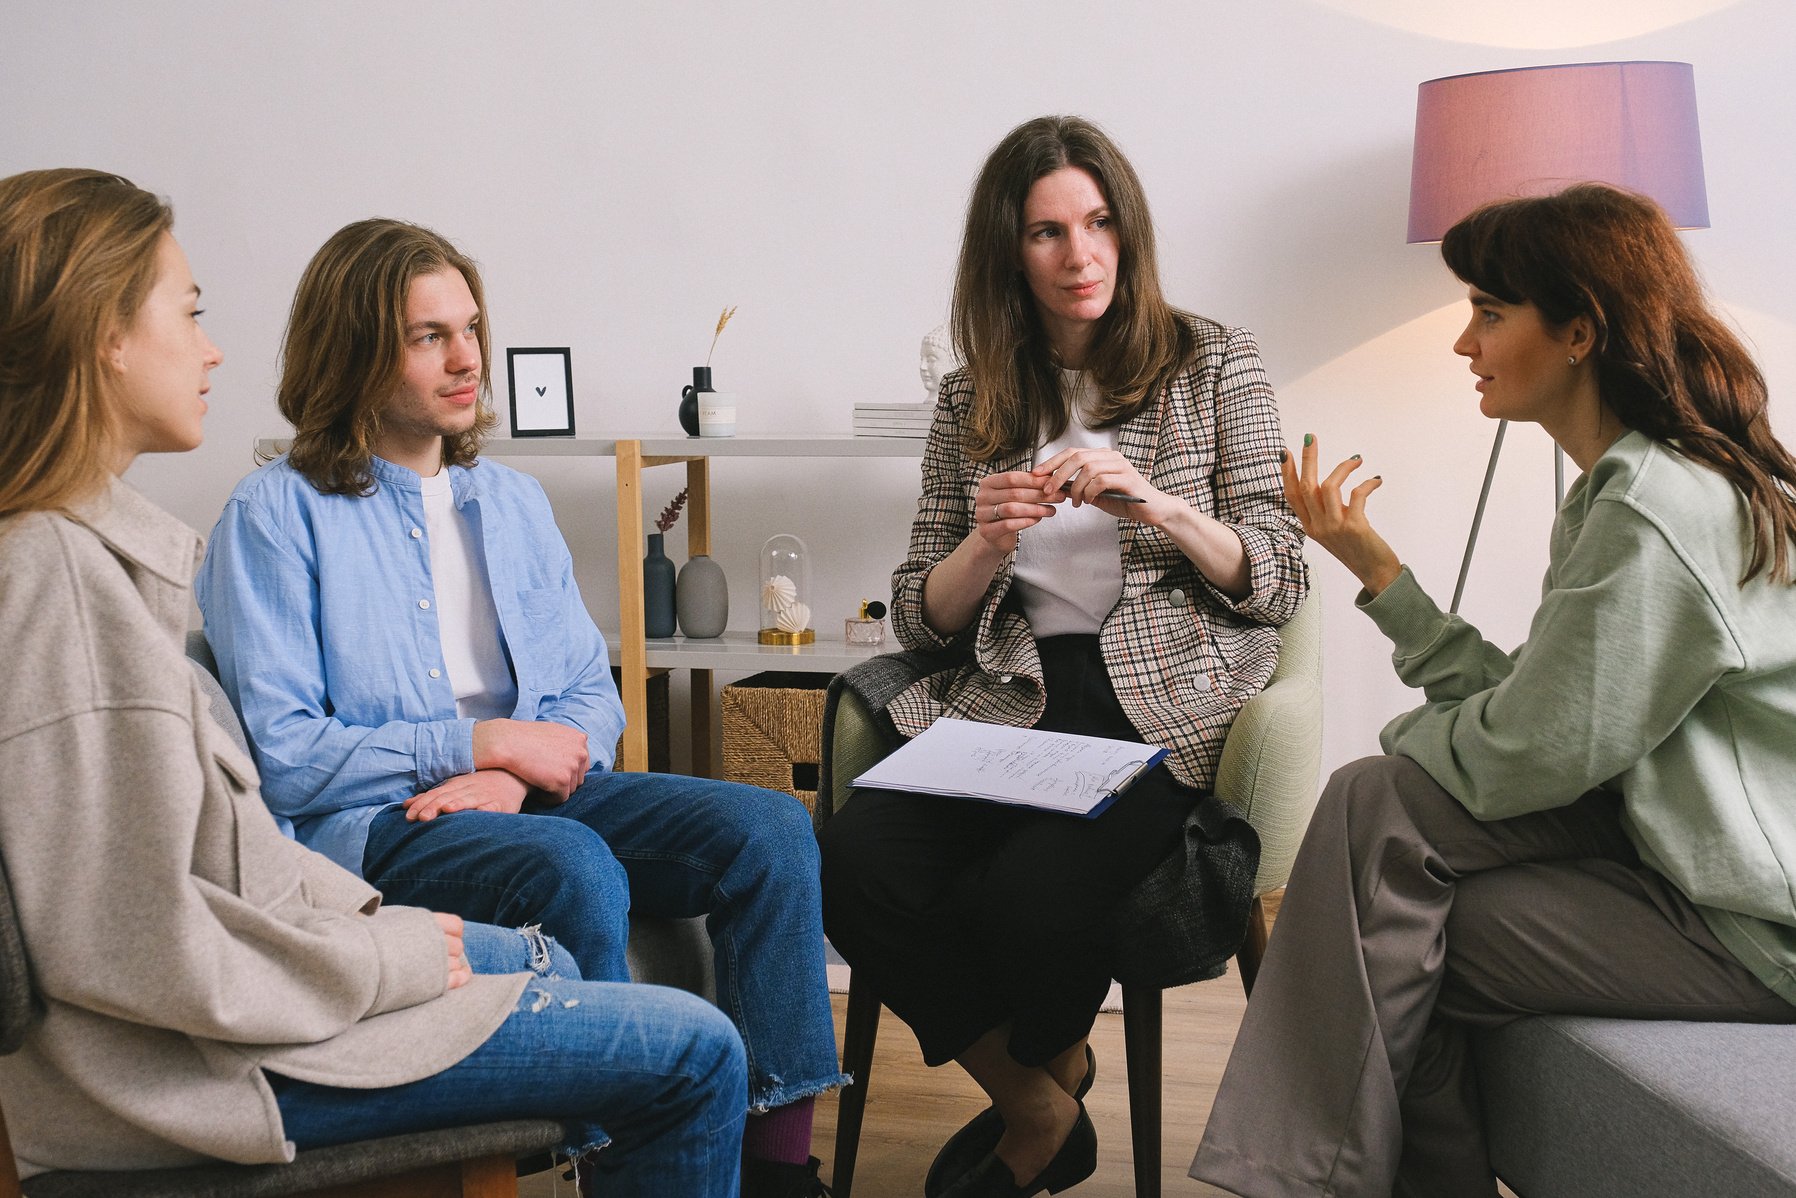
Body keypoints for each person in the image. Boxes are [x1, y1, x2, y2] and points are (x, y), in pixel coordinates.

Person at [0, 167, 746, 1194]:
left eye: (468, 328)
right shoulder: (64, 585)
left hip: (258, 997)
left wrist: (372, 923)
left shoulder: (100, 565)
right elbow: (143, 949)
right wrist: (385, 954)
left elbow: (219, 856)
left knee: (594, 937)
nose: (214, 346)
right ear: (103, 337)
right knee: (691, 1047)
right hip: (206, 1078)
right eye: (192, 311)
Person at [192, 217, 843, 1198]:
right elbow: (284, 754)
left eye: (470, 328)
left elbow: (589, 691)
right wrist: (476, 742)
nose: (466, 359)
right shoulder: (273, 516)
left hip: (527, 786)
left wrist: (504, 769)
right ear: (355, 348)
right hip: (378, 827)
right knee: (569, 861)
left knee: (766, 828)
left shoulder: (511, 501)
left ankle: (779, 1170)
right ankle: (616, 1159)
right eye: (427, 336)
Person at [1190, 184, 1796, 1198]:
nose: (1463, 342)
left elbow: (1526, 754)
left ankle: (1304, 1180)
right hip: (1665, 855)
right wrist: (1380, 572)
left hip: (1747, 924)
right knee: (1384, 883)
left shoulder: (1654, 511)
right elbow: (1545, 716)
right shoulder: (1626, 489)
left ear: (1576, 330)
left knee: (1378, 847)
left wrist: (1410, 736)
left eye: (1486, 309)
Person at [818, 115, 1308, 1198]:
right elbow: (920, 619)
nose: (1077, 255)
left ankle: (1044, 1089)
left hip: (1157, 703)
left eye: (1096, 225)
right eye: (1046, 233)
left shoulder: (1212, 361)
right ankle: (1040, 1100)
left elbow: (1277, 571)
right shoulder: (970, 395)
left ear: (1125, 234)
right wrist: (983, 543)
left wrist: (1163, 506)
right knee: (854, 861)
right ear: (1008, 252)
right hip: (1012, 696)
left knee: (1023, 898)